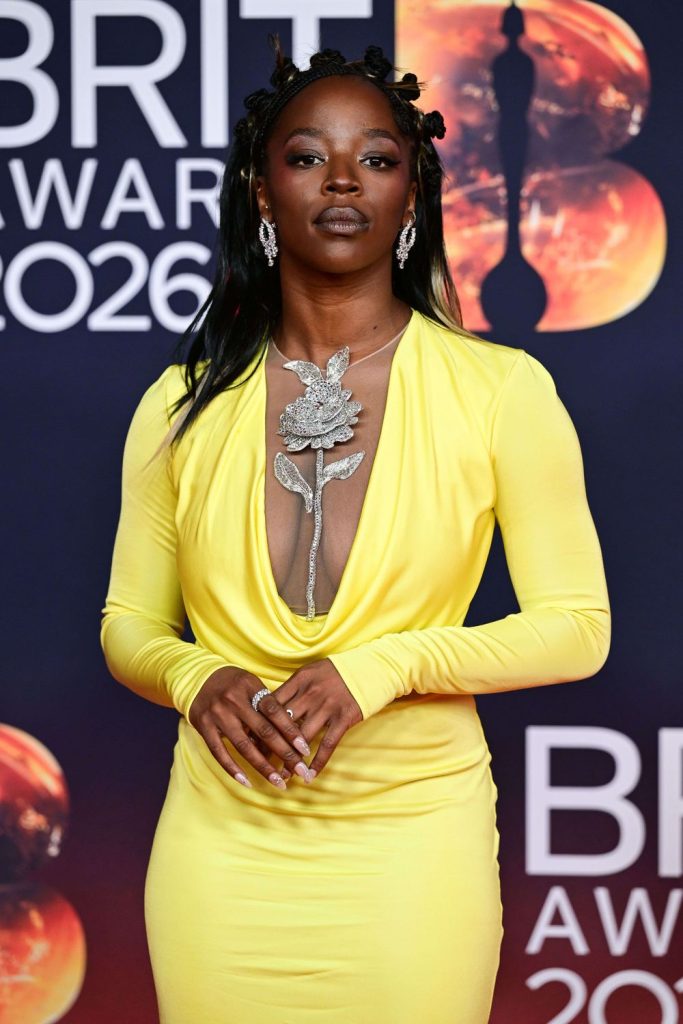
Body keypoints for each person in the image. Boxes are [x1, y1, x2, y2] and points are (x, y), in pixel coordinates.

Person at [100, 37, 611, 1024]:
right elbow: (128, 623)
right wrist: (194, 676)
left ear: (412, 195)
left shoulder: (500, 391)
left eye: (376, 158)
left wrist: (380, 667)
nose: (341, 180)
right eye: (305, 156)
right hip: (220, 854)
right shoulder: (180, 405)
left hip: (412, 846)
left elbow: (576, 626)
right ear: (260, 190)